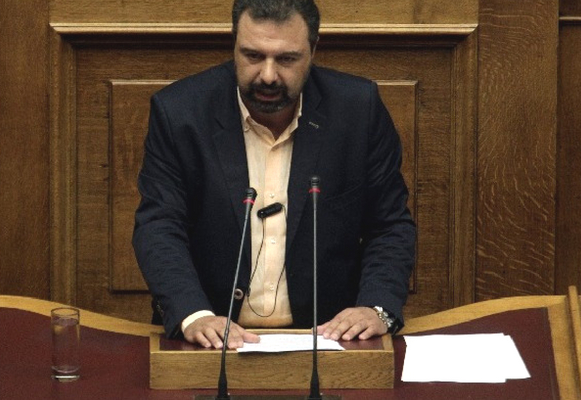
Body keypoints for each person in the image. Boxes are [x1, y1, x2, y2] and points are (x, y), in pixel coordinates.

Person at [133, 0, 416, 350]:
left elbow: (389, 225)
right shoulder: (180, 113)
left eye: (286, 59)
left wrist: (376, 307)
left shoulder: (358, 110)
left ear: (313, 50)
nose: (268, 75)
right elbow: (159, 224)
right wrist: (193, 315)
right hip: (209, 341)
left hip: (328, 340)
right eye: (253, 56)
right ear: (234, 45)